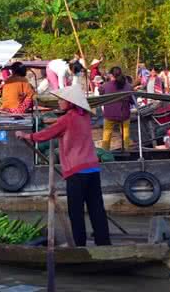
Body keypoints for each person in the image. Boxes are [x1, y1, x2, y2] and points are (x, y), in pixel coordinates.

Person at [15, 85, 111, 247]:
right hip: (93, 169)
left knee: (76, 211)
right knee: (96, 208)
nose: (59, 102)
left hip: (77, 171)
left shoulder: (67, 119)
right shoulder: (85, 116)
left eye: (61, 100)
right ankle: (104, 243)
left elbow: (46, 134)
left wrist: (26, 135)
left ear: (70, 102)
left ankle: (79, 246)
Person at [99, 67, 134, 151]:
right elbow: (132, 101)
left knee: (106, 136)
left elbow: (100, 94)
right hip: (124, 115)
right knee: (125, 135)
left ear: (111, 75)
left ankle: (105, 153)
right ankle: (127, 152)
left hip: (110, 115)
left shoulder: (105, 86)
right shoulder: (128, 86)